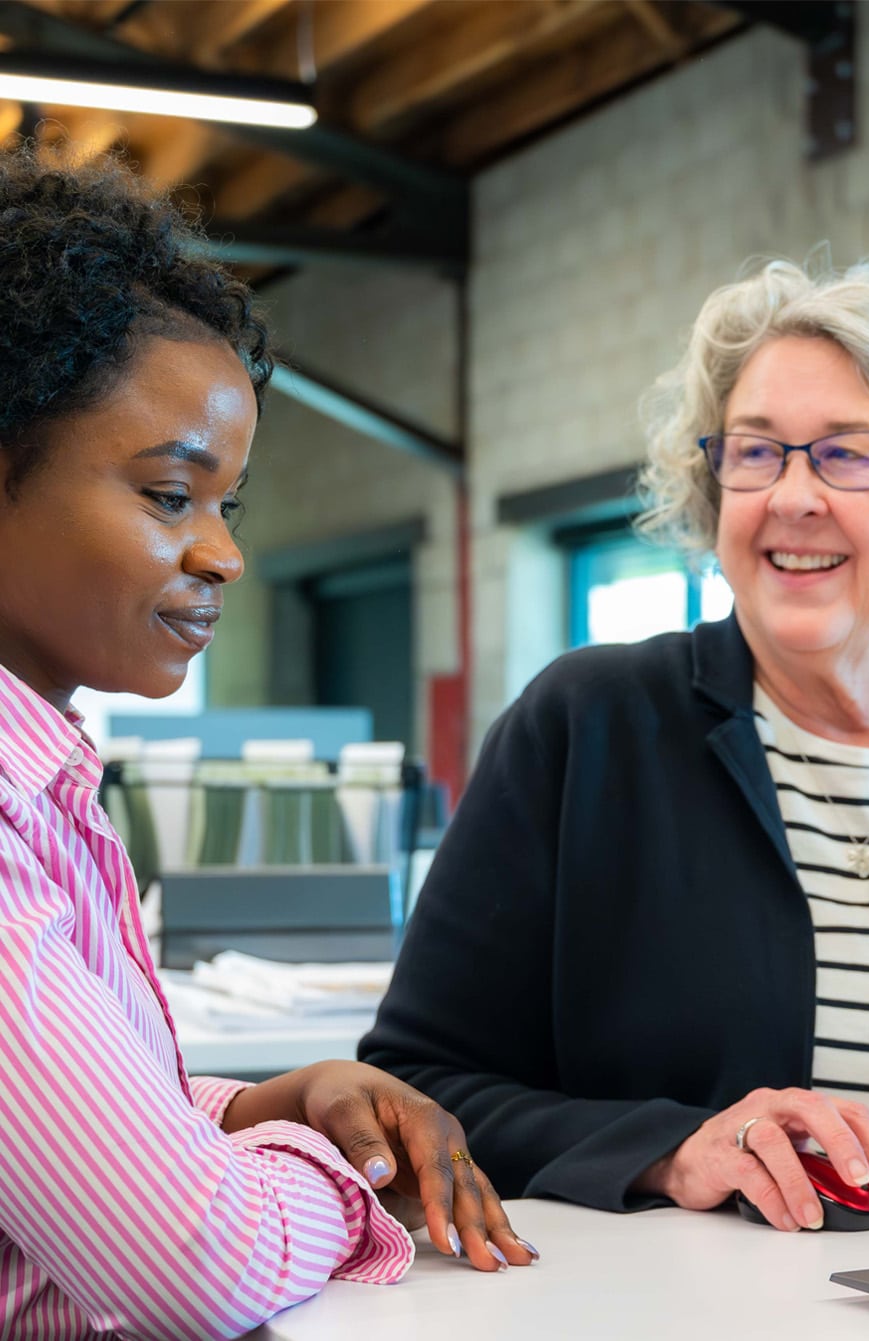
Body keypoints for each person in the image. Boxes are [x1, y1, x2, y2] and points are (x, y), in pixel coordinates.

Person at [362, 258, 869, 1234]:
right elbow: (407, 1093)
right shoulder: (586, 726)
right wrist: (668, 1149)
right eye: (756, 454)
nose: (791, 496)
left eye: (846, 454)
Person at [0, 144, 537, 1341]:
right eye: (167, 495)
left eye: (225, 505)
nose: (224, 556)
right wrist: (328, 1172)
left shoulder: (46, 780)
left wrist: (253, 1111)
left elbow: (38, 1133)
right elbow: (195, 1264)